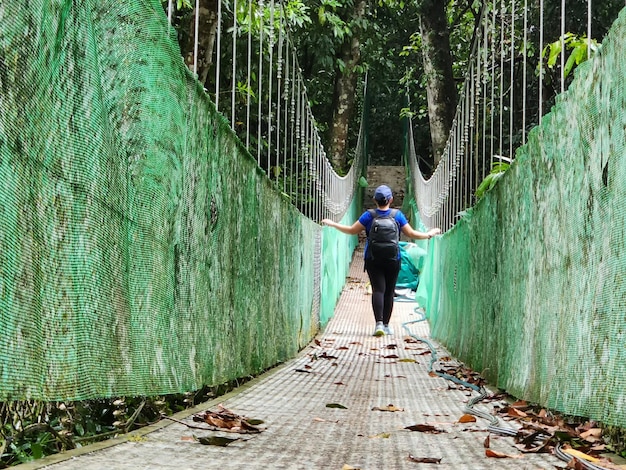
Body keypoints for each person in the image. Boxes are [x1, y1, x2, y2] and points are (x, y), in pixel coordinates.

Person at [321, 185, 441, 337]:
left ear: (374, 200)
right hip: (393, 258)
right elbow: (411, 233)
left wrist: (333, 224)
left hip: (373, 258)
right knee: (389, 292)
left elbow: (352, 230)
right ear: (391, 199)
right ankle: (386, 325)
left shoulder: (369, 215)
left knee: (378, 290)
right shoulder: (397, 215)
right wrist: (429, 234)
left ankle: (378, 323)